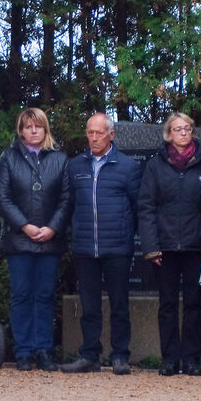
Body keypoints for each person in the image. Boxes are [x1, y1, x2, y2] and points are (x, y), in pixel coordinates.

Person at [58, 112, 143, 375]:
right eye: (90, 133)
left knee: (119, 303)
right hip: (85, 246)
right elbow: (68, 205)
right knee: (89, 305)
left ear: (111, 135)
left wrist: (128, 234)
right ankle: (89, 355)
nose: (94, 138)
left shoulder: (128, 167)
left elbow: (138, 207)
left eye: (99, 133)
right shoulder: (75, 166)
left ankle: (120, 356)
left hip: (117, 245)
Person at [0, 106, 71, 370]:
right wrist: (24, 226)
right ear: (21, 131)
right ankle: (23, 350)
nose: (33, 130)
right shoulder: (9, 157)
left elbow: (66, 199)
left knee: (45, 295)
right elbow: (1, 197)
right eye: (28, 126)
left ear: (45, 129)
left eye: (37, 126)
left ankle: (44, 350)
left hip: (50, 240)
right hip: (19, 241)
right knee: (22, 295)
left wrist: (52, 228)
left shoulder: (60, 159)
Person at [138, 111, 201, 376]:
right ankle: (169, 359)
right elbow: (146, 206)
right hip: (165, 246)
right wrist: (151, 246)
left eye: (187, 128)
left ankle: (192, 359)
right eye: (177, 129)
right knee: (167, 304)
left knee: (194, 304)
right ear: (168, 134)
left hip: (195, 244)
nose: (183, 132)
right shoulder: (156, 165)